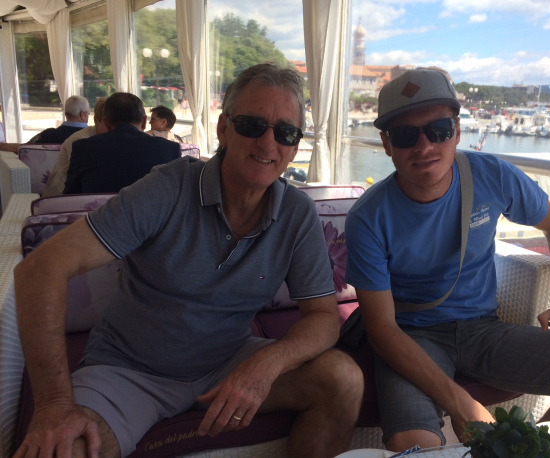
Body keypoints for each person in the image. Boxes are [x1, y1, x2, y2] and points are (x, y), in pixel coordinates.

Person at [14, 63, 363, 458]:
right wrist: (54, 405)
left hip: (227, 362)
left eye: (285, 132)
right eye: (252, 125)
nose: (268, 143)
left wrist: (268, 362)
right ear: (223, 129)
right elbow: (40, 269)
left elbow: (323, 317)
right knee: (65, 448)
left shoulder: (297, 213)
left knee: (343, 379)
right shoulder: (168, 187)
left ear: (295, 145)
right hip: (129, 371)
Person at [344, 67, 550, 452]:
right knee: (416, 444)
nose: (424, 146)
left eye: (438, 129)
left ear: (456, 131)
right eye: (404, 135)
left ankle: (535, 448)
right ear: (386, 144)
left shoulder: (492, 176)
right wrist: (461, 404)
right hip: (411, 336)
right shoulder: (368, 218)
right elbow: (383, 331)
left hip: (483, 330)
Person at [63, 92, 181, 194]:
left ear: (106, 123)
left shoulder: (82, 149)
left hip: (100, 214)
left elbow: (71, 197)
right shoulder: (170, 149)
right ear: (145, 122)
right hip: (153, 214)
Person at [42, 97, 108, 197]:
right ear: (96, 120)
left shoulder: (48, 135)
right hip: (61, 198)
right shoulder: (80, 141)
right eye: (108, 123)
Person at [1, 95, 90, 153]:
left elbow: (24, 149)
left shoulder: (48, 135)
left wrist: (2, 145)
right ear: (82, 115)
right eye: (88, 113)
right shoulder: (92, 136)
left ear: (66, 113)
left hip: (51, 177)